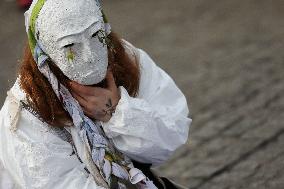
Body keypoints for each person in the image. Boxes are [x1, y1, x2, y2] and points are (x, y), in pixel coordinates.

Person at [0, 0, 192, 188]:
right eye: (69, 45)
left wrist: (116, 113)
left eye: (94, 35)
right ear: (45, 52)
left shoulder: (125, 57)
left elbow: (169, 137)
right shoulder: (25, 113)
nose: (90, 57)